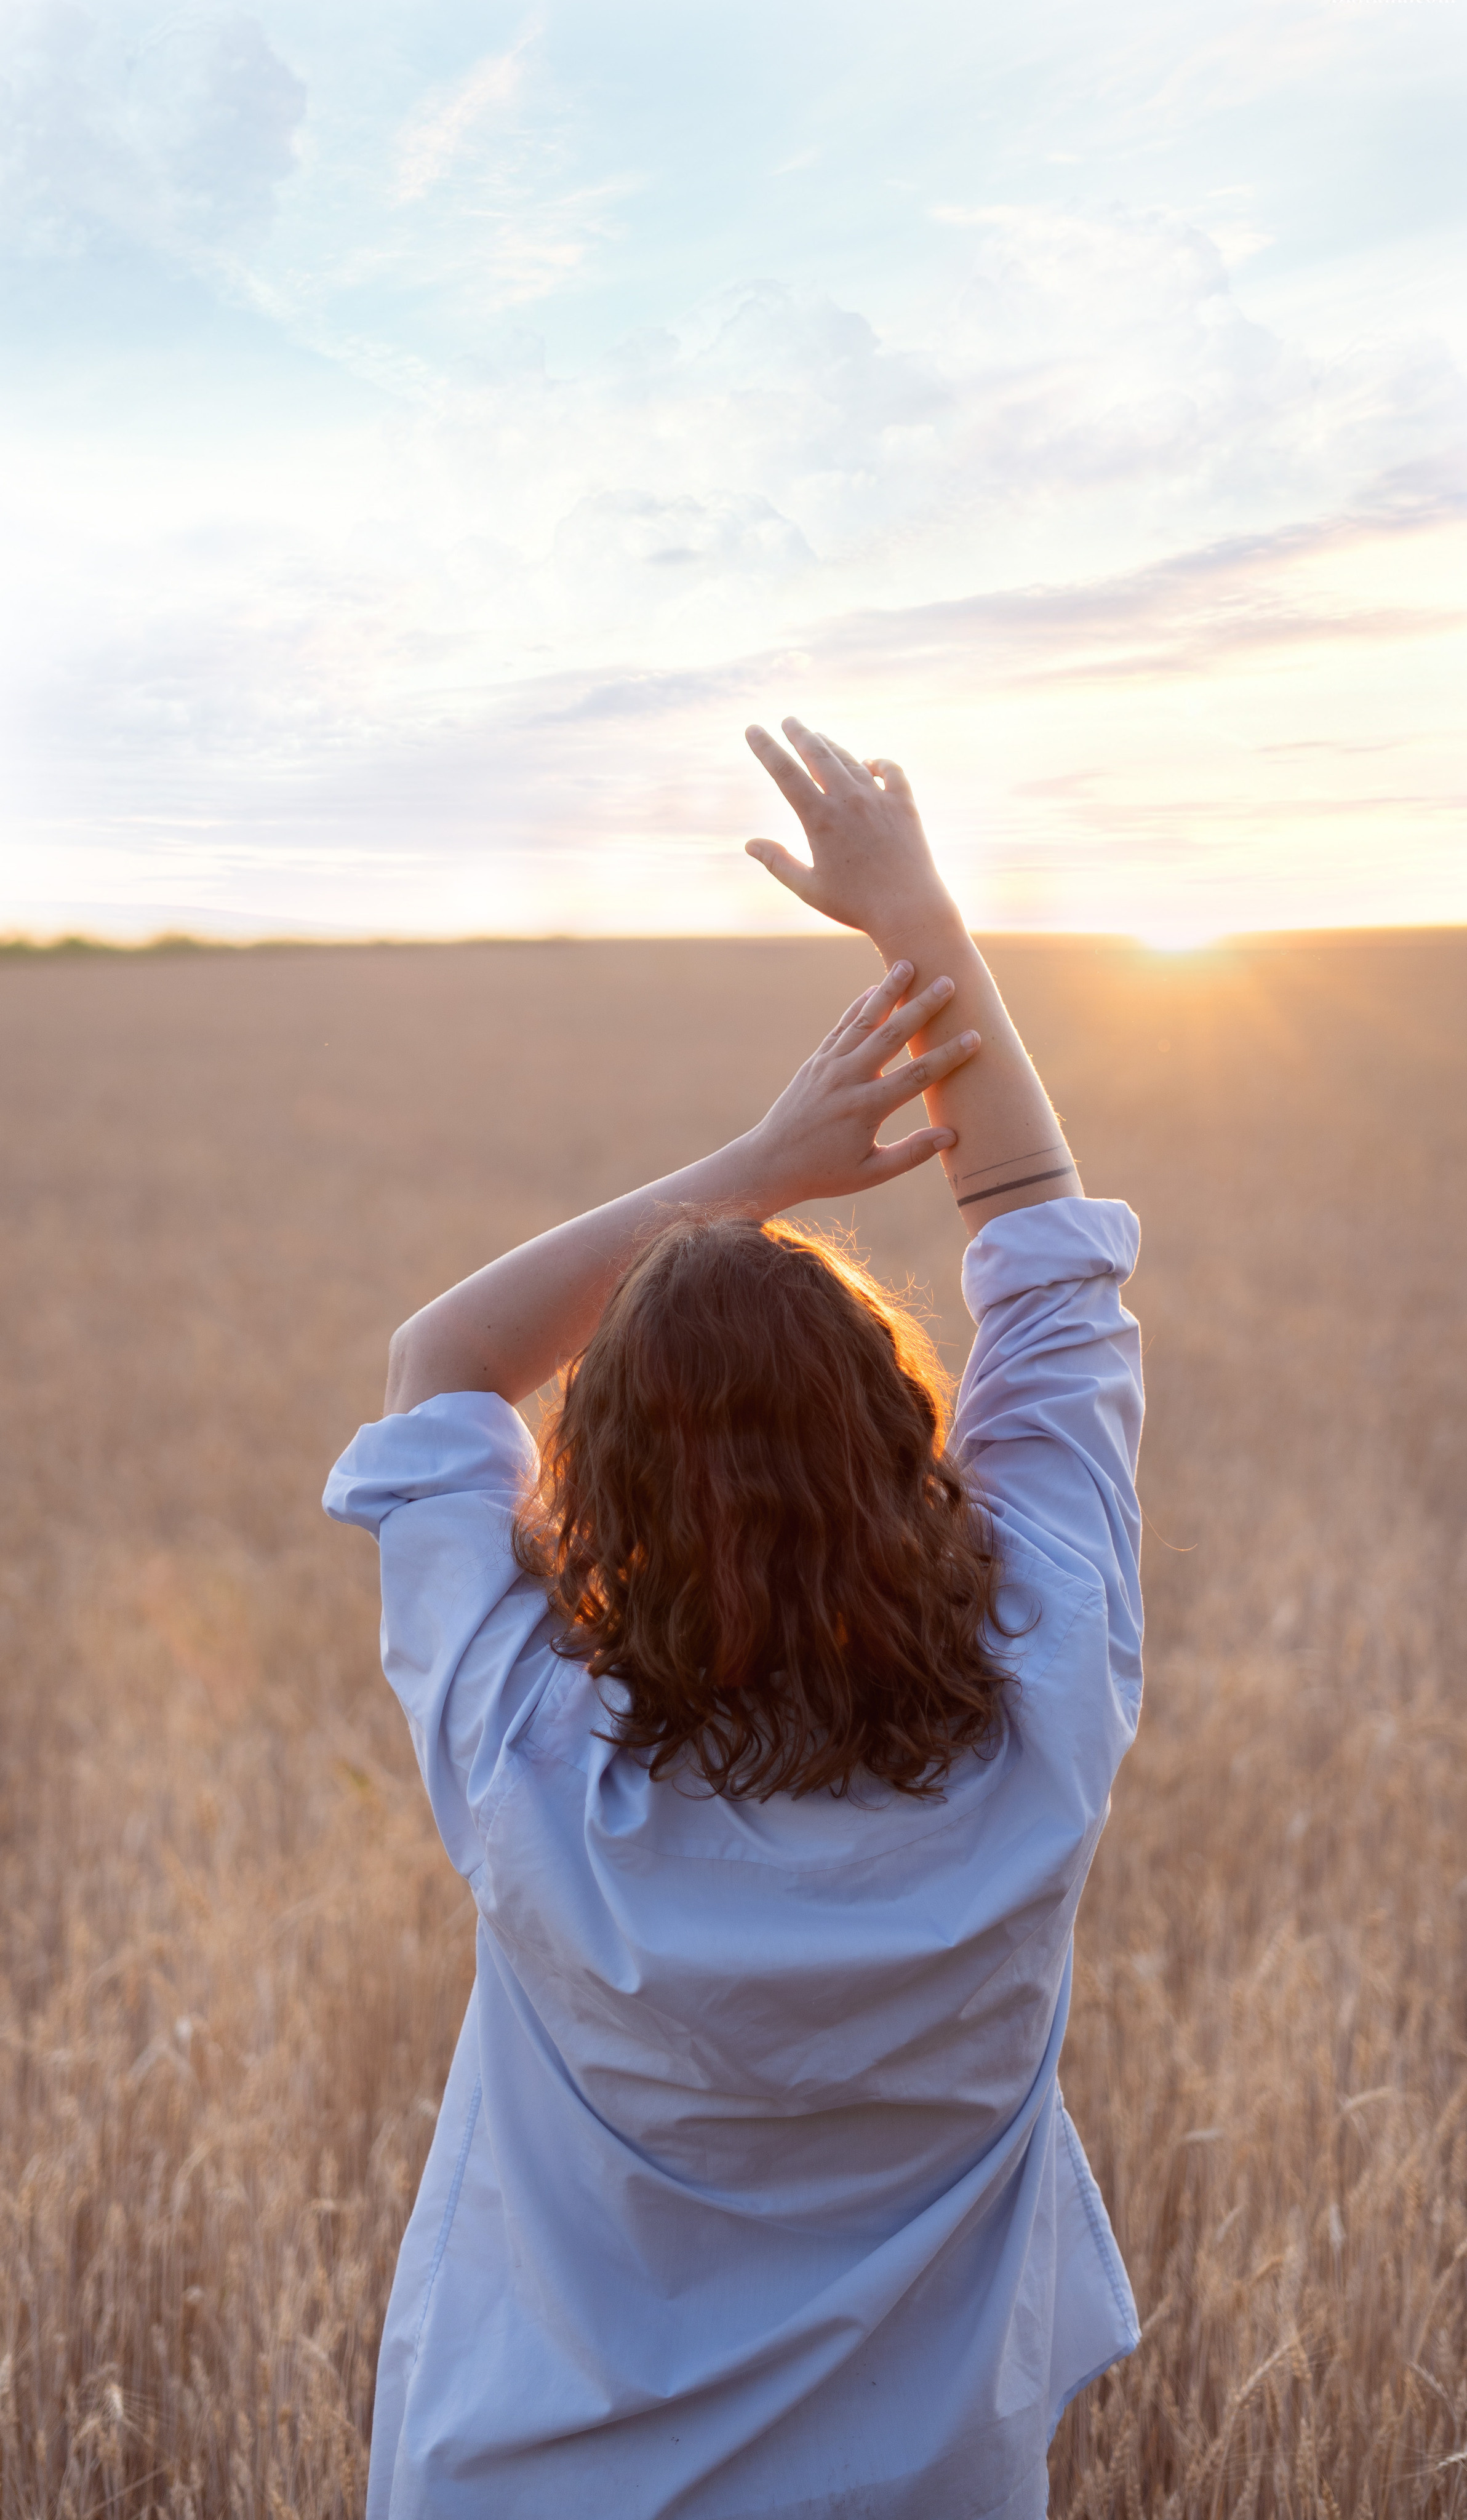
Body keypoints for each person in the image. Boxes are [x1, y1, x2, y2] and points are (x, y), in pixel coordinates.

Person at [324, 719, 1145, 2520]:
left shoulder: (536, 1765)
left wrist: (759, 1164)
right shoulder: (1044, 1701)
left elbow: (438, 1364)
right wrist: (919, 915)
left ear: (593, 1497)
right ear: (907, 1443)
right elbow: (1045, 1254)